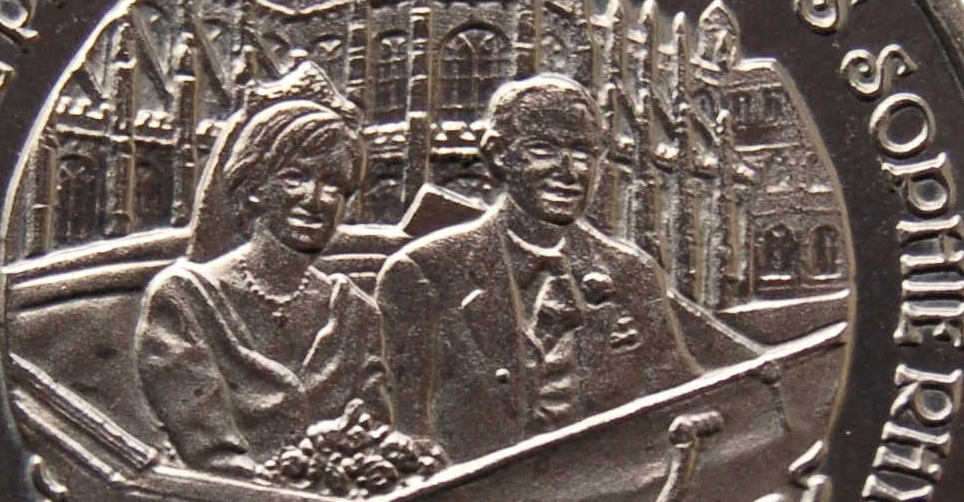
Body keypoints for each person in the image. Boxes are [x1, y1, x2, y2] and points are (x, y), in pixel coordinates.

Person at [376, 73, 700, 463]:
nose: (569, 171)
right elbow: (405, 437)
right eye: (543, 149)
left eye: (582, 152)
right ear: (499, 155)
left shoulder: (631, 273)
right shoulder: (423, 274)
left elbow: (685, 400)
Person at [136, 92, 390, 474]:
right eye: (295, 177)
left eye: (334, 185)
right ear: (255, 185)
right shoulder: (184, 299)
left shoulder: (356, 313)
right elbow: (212, 459)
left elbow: (375, 442)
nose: (315, 199)